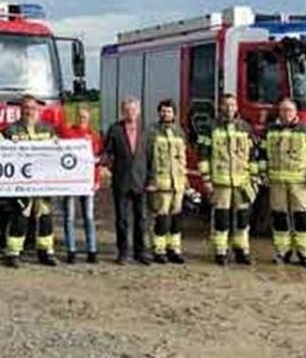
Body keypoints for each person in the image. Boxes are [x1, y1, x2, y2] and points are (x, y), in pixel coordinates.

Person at [259, 97, 306, 267]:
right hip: (277, 182)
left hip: (299, 183)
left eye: (289, 110)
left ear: (295, 112)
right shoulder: (270, 131)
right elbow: (262, 154)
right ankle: (282, 252)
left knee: (301, 218)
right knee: (280, 218)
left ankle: (305, 253)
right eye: (282, 110)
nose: (285, 114)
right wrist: (262, 173)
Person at [198, 93, 258, 266]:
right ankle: (220, 251)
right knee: (221, 218)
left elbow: (253, 155)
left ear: (237, 107)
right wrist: (206, 180)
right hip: (220, 181)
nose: (229, 108)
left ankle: (241, 251)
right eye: (225, 105)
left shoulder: (245, 128)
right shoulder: (210, 127)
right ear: (220, 107)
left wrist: (254, 177)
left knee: (243, 218)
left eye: (232, 105)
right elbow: (203, 155)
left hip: (242, 182)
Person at [5, 94, 59, 267]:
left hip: (43, 182)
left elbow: (57, 152)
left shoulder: (48, 129)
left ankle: (46, 252)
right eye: (26, 108)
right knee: (20, 216)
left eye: (32, 108)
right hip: (21, 183)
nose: (29, 111)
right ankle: (13, 253)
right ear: (20, 110)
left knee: (45, 216)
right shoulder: (11, 130)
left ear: (38, 110)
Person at [104, 97, 151, 265]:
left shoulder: (146, 130)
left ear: (138, 112)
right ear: (122, 112)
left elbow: (150, 157)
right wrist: (109, 167)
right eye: (127, 110)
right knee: (121, 220)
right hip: (121, 181)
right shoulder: (115, 129)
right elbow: (107, 152)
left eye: (133, 110)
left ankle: (140, 252)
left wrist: (150, 180)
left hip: (141, 181)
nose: (130, 113)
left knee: (141, 219)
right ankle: (123, 252)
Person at [146, 99, 188, 265]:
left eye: (169, 111)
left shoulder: (179, 133)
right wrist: (149, 180)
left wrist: (186, 181)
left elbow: (183, 159)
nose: (166, 114)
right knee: (161, 218)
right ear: (159, 113)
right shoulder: (152, 132)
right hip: (160, 183)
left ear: (174, 114)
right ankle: (159, 249)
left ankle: (174, 249)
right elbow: (147, 158)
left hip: (178, 183)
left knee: (177, 218)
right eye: (163, 111)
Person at [60, 104, 102, 264]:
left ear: (89, 118)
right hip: (70, 182)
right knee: (69, 217)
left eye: (84, 117)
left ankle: (92, 250)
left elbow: (96, 161)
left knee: (88, 217)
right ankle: (71, 250)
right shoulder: (68, 133)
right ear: (76, 117)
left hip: (87, 182)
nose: (82, 119)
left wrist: (97, 180)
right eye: (79, 116)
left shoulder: (94, 137)